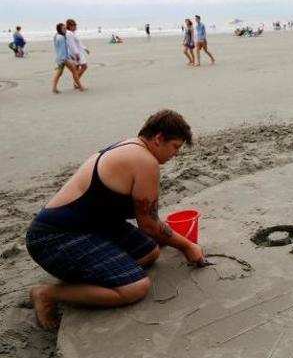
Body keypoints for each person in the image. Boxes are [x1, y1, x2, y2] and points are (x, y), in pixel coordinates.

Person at [26, 110, 205, 329]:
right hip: (53, 238)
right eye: (175, 147)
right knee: (135, 287)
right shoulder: (145, 161)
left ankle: (95, 276)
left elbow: (149, 225)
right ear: (158, 139)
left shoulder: (131, 145)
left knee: (150, 252)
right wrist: (187, 246)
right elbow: (149, 225)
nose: (175, 154)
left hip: (93, 226)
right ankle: (48, 293)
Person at [52, 23, 83, 94]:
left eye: (65, 28)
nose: (65, 30)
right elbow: (63, 50)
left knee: (59, 73)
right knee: (74, 71)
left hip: (59, 58)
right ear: (60, 29)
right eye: (63, 29)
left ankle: (54, 88)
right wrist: (68, 57)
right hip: (63, 58)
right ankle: (80, 87)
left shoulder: (56, 36)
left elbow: (59, 49)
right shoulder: (62, 38)